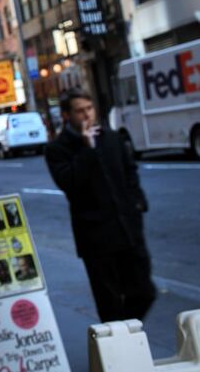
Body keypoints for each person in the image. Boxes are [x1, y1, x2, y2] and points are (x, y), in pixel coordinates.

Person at [45, 88, 156, 322]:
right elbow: (70, 182)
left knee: (145, 292)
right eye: (79, 111)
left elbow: (130, 172)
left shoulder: (111, 137)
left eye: (89, 108)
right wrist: (88, 149)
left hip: (128, 230)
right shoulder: (57, 149)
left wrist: (138, 204)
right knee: (110, 305)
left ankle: (124, 333)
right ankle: (119, 348)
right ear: (67, 115)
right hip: (96, 239)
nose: (87, 115)